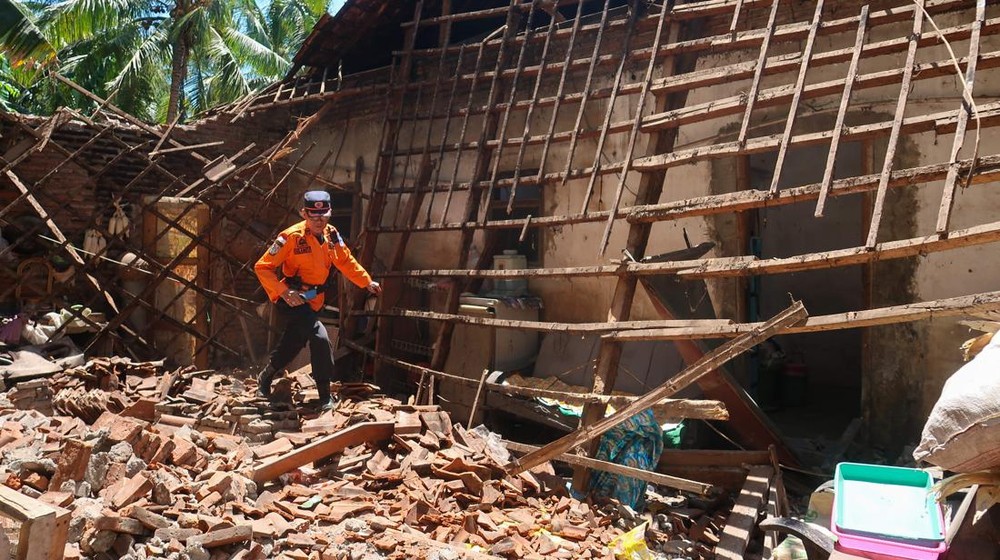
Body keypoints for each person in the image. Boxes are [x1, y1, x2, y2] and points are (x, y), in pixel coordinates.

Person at [254, 190, 382, 410]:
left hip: (314, 299)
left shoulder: (332, 235)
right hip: (292, 299)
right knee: (320, 337)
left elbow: (346, 261)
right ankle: (324, 395)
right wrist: (284, 292)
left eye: (323, 215)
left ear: (329, 213)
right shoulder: (290, 237)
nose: (319, 221)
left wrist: (366, 282)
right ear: (304, 213)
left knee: (293, 341)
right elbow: (262, 267)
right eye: (313, 216)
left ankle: (265, 376)